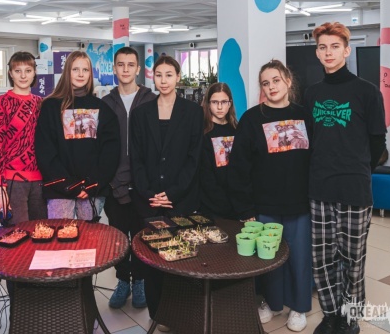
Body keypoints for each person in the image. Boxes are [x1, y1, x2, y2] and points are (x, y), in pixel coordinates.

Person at [305, 22, 386, 334]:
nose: (328, 52)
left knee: (352, 259)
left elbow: (377, 142)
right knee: (323, 259)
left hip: (354, 188)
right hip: (319, 187)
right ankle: (330, 315)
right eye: (323, 47)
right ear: (317, 53)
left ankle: (350, 317)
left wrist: (358, 167)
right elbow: (310, 140)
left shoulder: (367, 92)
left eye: (335, 47)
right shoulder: (312, 94)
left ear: (347, 51)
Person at [229, 60, 312, 332]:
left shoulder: (305, 115)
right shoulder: (251, 119)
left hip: (300, 203)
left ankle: (299, 306)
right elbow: (239, 168)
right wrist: (245, 209)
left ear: (288, 80)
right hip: (264, 204)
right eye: (265, 83)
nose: (271, 87)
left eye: (276, 80)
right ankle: (271, 302)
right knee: (268, 259)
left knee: (299, 259)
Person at [130, 55, 203, 328]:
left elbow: (194, 159)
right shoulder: (141, 114)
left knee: (181, 258)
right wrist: (149, 192)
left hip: (180, 200)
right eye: (159, 75)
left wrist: (171, 193)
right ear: (153, 77)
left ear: (178, 77)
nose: (163, 80)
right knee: (154, 259)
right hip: (149, 200)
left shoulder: (193, 112)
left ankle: (181, 312)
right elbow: (136, 158)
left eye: (169, 75)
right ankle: (159, 314)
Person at [35, 50, 120, 220]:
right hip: (59, 189)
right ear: (67, 71)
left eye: (85, 70)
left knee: (89, 236)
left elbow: (110, 152)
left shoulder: (102, 108)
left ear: (90, 74)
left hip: (92, 189)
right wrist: (68, 185)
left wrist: (92, 183)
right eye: (75, 69)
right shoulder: (50, 106)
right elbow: (45, 150)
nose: (81, 74)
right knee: (61, 235)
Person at [101, 47, 156, 309]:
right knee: (120, 239)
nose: (125, 69)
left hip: (144, 184)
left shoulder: (151, 100)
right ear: (114, 68)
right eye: (120, 64)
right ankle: (123, 281)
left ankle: (140, 281)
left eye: (130, 64)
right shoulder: (105, 103)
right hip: (115, 184)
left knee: (142, 237)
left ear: (138, 69)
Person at [0, 51, 46, 225]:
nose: (23, 76)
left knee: (42, 232)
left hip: (40, 180)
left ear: (34, 73)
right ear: (10, 73)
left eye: (28, 71)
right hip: (12, 181)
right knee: (18, 234)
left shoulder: (41, 103)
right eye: (18, 71)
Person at [199, 82, 244, 220]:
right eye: (215, 102)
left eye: (224, 102)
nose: (219, 107)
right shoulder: (202, 132)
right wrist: (223, 204)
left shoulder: (238, 130)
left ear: (230, 104)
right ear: (208, 104)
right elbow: (204, 175)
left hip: (237, 204)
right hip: (211, 207)